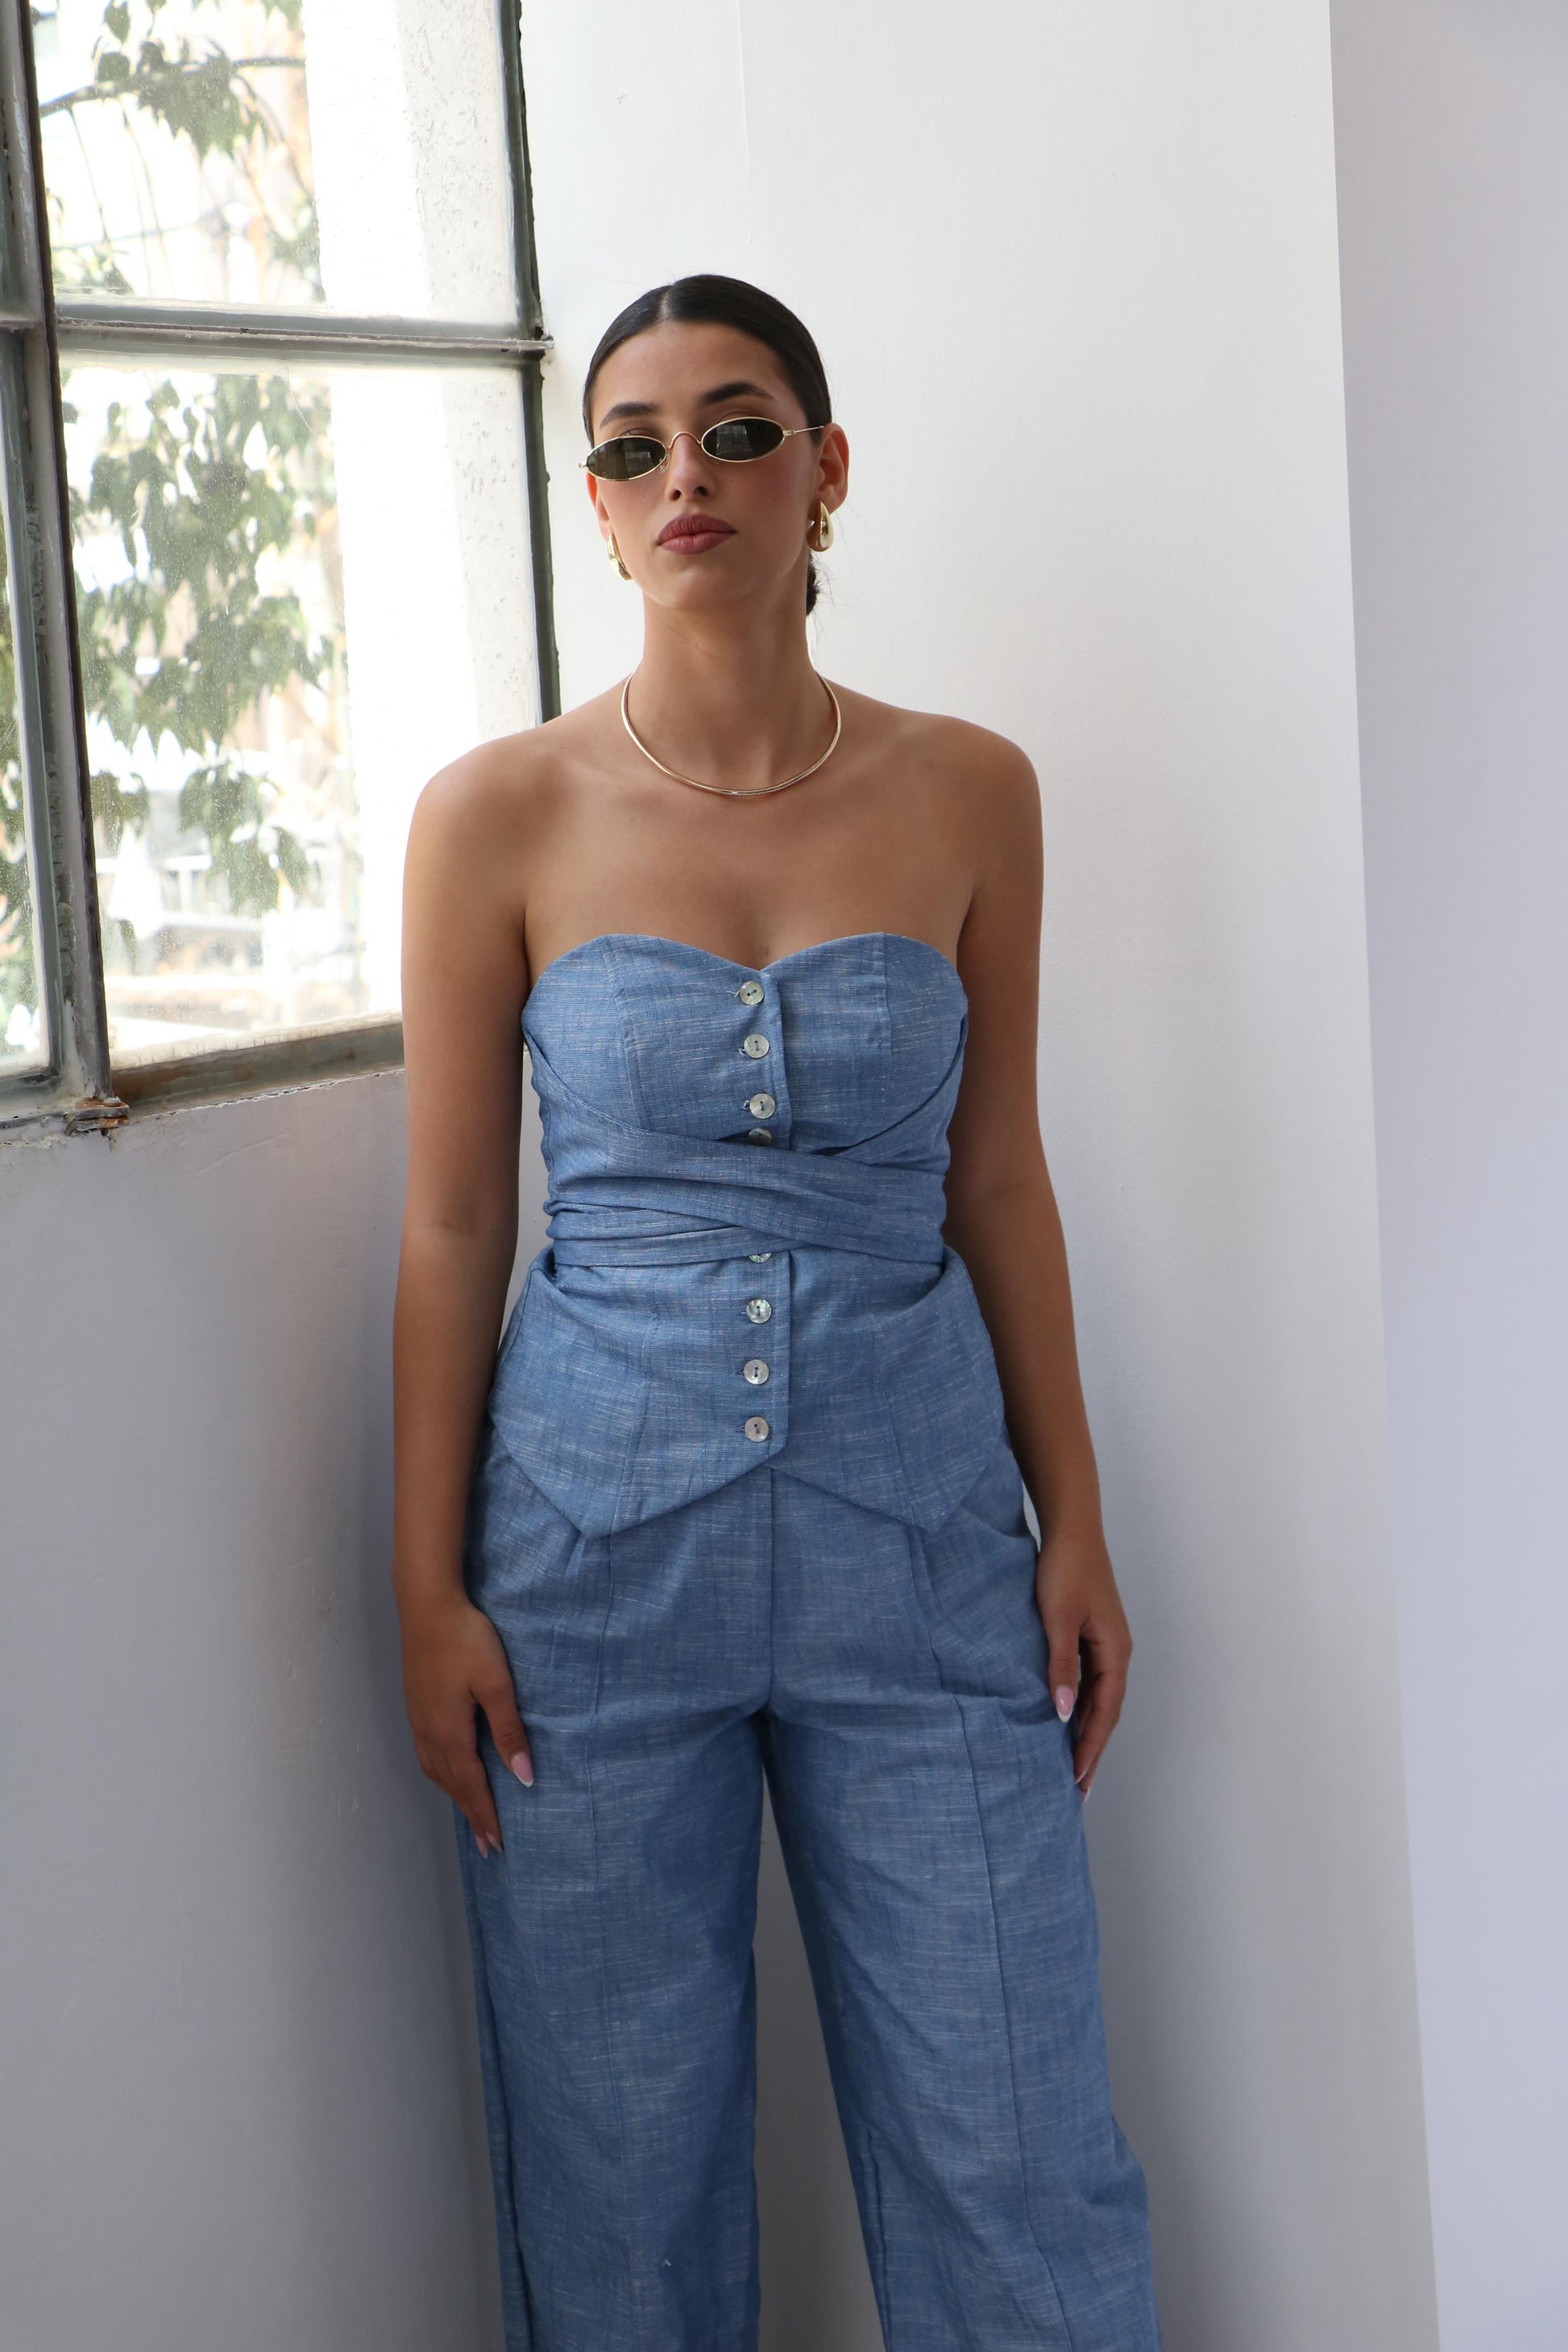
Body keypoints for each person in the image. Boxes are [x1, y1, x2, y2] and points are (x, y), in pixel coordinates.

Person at [392, 272, 1162, 2351]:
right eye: (634, 446)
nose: (688, 475)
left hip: (924, 1551)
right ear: (594, 503)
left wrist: (1075, 1517)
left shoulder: (971, 788)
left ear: (825, 472)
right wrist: (423, 1587)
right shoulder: (495, 815)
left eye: (737, 431)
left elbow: (997, 1177)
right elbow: (454, 1224)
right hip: (584, 1571)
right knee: (619, 2177)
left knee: (1018, 2146)